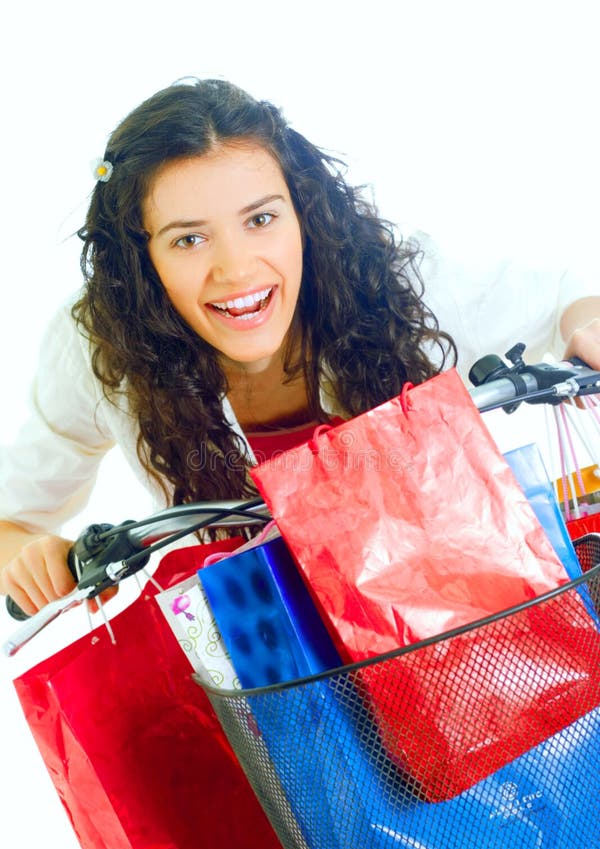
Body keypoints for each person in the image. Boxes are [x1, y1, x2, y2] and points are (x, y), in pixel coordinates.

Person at [1, 78, 599, 617]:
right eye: (188, 239)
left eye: (260, 220)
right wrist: (27, 553)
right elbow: (11, 520)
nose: (235, 270)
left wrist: (587, 327)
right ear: (143, 261)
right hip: (279, 671)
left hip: (456, 626)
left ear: (304, 215)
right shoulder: (102, 348)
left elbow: (568, 294)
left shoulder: (393, 289)